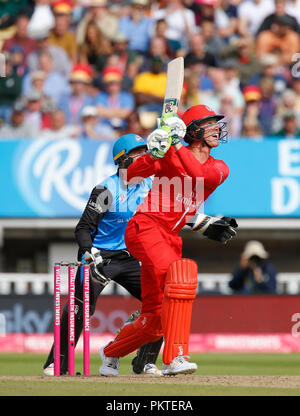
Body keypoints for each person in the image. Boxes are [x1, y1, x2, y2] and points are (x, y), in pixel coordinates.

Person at [100, 105, 238, 376]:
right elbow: (130, 176)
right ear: (194, 130)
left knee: (157, 317)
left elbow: (197, 174)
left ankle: (110, 354)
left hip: (170, 237)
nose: (215, 129)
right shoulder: (170, 155)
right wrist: (155, 152)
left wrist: (174, 144)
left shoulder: (220, 168)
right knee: (179, 279)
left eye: (215, 123)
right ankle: (175, 357)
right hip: (146, 226)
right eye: (209, 124)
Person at [43, 134, 164, 376]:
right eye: (138, 153)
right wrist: (89, 254)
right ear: (123, 160)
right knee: (79, 307)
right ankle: (57, 363)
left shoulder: (150, 186)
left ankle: (145, 361)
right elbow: (83, 229)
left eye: (145, 152)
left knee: (161, 304)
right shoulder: (106, 189)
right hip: (100, 257)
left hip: (129, 257)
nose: (144, 158)